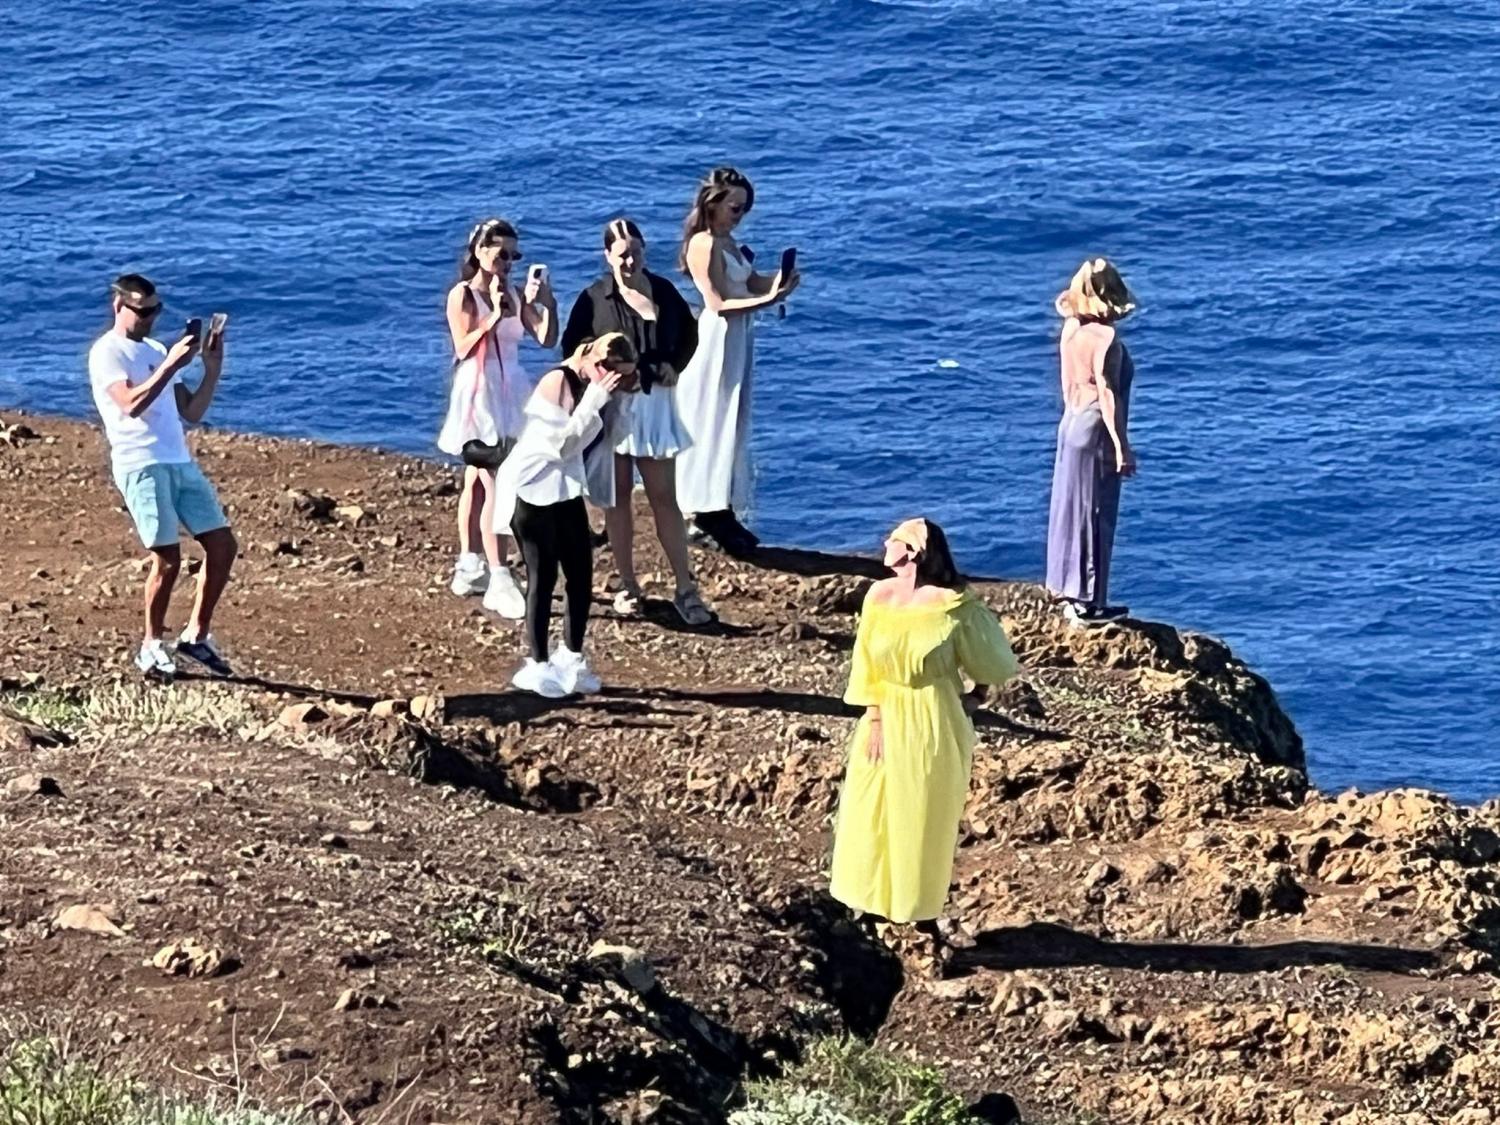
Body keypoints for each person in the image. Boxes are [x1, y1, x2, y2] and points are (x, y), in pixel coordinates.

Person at [829, 518, 1018, 936]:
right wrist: (874, 715)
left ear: (913, 551)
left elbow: (990, 658)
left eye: (892, 540)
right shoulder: (878, 596)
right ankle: (870, 902)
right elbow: (865, 662)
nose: (884, 544)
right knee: (870, 808)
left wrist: (976, 695)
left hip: (933, 717)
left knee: (922, 813)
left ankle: (920, 910)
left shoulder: (955, 604)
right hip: (882, 716)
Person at [561, 218, 714, 627]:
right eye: (622, 254)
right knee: (618, 498)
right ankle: (628, 585)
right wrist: (601, 378)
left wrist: (674, 366)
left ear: (644, 250)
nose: (630, 260)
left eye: (636, 252)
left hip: (654, 405)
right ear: (607, 255)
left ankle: (685, 586)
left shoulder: (662, 290)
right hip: (614, 406)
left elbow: (690, 334)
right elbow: (573, 350)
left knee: (665, 498)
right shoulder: (594, 299)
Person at [87, 274, 239, 681]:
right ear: (118, 306)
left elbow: (191, 411)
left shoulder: (154, 349)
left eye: (155, 309)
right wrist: (172, 363)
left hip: (178, 460)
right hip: (141, 463)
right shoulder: (108, 353)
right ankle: (151, 645)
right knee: (168, 560)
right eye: (141, 310)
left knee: (222, 545)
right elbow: (130, 405)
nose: (150, 318)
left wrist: (211, 367)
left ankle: (196, 635)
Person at [491, 334, 637, 698]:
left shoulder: (597, 389)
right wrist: (597, 398)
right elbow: (561, 445)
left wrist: (620, 400)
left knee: (580, 575)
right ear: (593, 358)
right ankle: (537, 663)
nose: (609, 381)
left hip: (565, 489)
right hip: (530, 488)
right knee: (543, 576)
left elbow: (604, 441)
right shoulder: (558, 382)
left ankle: (571, 655)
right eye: (609, 373)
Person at [672, 166, 799, 557]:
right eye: (735, 207)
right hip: (718, 338)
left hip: (738, 337)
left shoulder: (728, 241)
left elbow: (749, 282)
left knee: (731, 419)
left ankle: (720, 506)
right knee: (713, 418)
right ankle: (700, 509)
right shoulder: (704, 244)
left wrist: (780, 281)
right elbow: (717, 302)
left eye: (744, 209)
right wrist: (768, 301)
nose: (739, 215)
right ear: (714, 204)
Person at [438, 218, 558, 619]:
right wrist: (492, 316)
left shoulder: (512, 291)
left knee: (476, 480)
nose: (507, 262)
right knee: (495, 480)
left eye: (513, 256)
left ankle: (470, 563)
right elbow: (463, 347)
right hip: (479, 392)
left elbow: (545, 338)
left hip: (512, 390)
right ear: (479, 251)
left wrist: (546, 303)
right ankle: (499, 574)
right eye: (500, 253)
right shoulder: (465, 295)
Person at [1045, 257, 1137, 626]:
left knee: (1070, 509)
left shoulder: (1071, 329)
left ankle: (1068, 590)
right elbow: (1108, 393)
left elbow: (1070, 383)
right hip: (1096, 426)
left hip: (1071, 423)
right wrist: (1121, 446)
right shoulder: (1106, 339)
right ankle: (1089, 602)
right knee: (1096, 513)